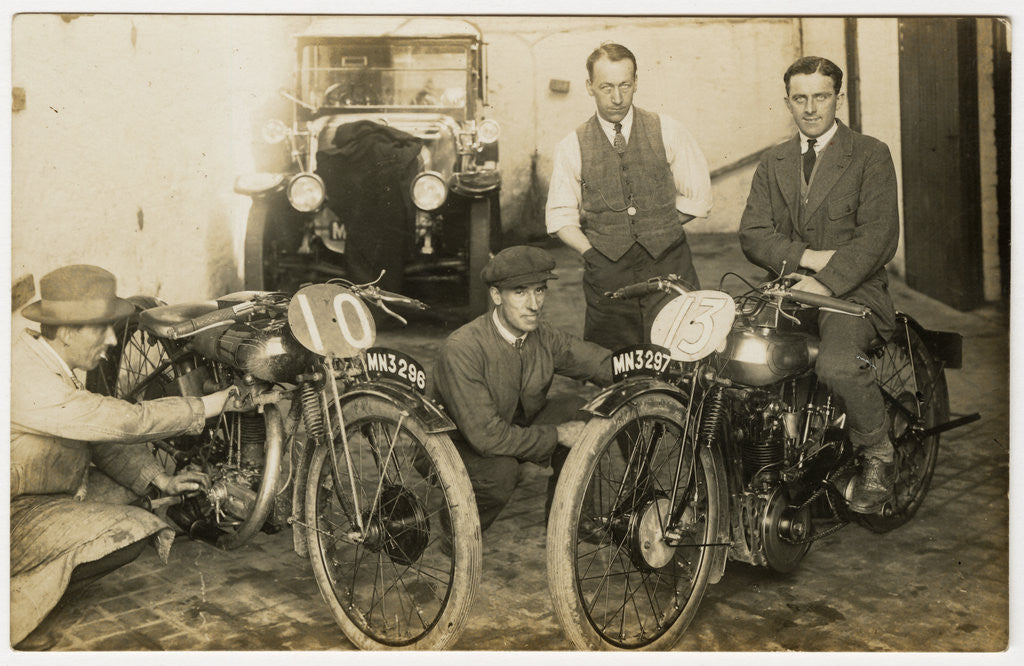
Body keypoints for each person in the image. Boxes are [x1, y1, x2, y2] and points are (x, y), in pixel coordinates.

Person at [10, 264, 241, 649]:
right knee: (134, 530)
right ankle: (19, 598)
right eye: (101, 328)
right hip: (15, 511)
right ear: (67, 331)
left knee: (139, 496)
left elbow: (98, 435)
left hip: (42, 490)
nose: (112, 340)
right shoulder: (26, 378)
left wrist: (160, 479)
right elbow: (124, 421)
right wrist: (210, 404)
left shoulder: (48, 357)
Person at [738, 56, 900, 514]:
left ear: (838, 98)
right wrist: (807, 260)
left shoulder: (870, 154)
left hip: (854, 290)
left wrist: (826, 282)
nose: (811, 108)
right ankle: (771, 455)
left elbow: (878, 237)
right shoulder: (774, 161)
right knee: (738, 360)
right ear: (787, 101)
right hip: (788, 286)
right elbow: (753, 234)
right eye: (800, 98)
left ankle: (878, 452)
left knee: (836, 365)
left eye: (821, 96)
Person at [546, 43, 712, 352]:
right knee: (615, 360)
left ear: (636, 82)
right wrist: (593, 255)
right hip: (608, 270)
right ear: (589, 87)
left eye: (625, 85)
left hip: (669, 261)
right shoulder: (572, 144)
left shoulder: (668, 130)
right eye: (606, 87)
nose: (618, 97)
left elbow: (698, 197)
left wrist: (659, 226)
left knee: (682, 351)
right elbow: (559, 217)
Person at [432, 246, 612, 532]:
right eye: (520, 292)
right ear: (495, 296)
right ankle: (457, 531)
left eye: (539, 291)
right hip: (457, 445)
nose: (534, 304)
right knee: (502, 474)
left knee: (578, 410)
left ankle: (566, 523)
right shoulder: (463, 348)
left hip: (512, 429)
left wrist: (648, 367)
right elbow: (487, 437)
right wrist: (557, 435)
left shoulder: (542, 335)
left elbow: (598, 363)